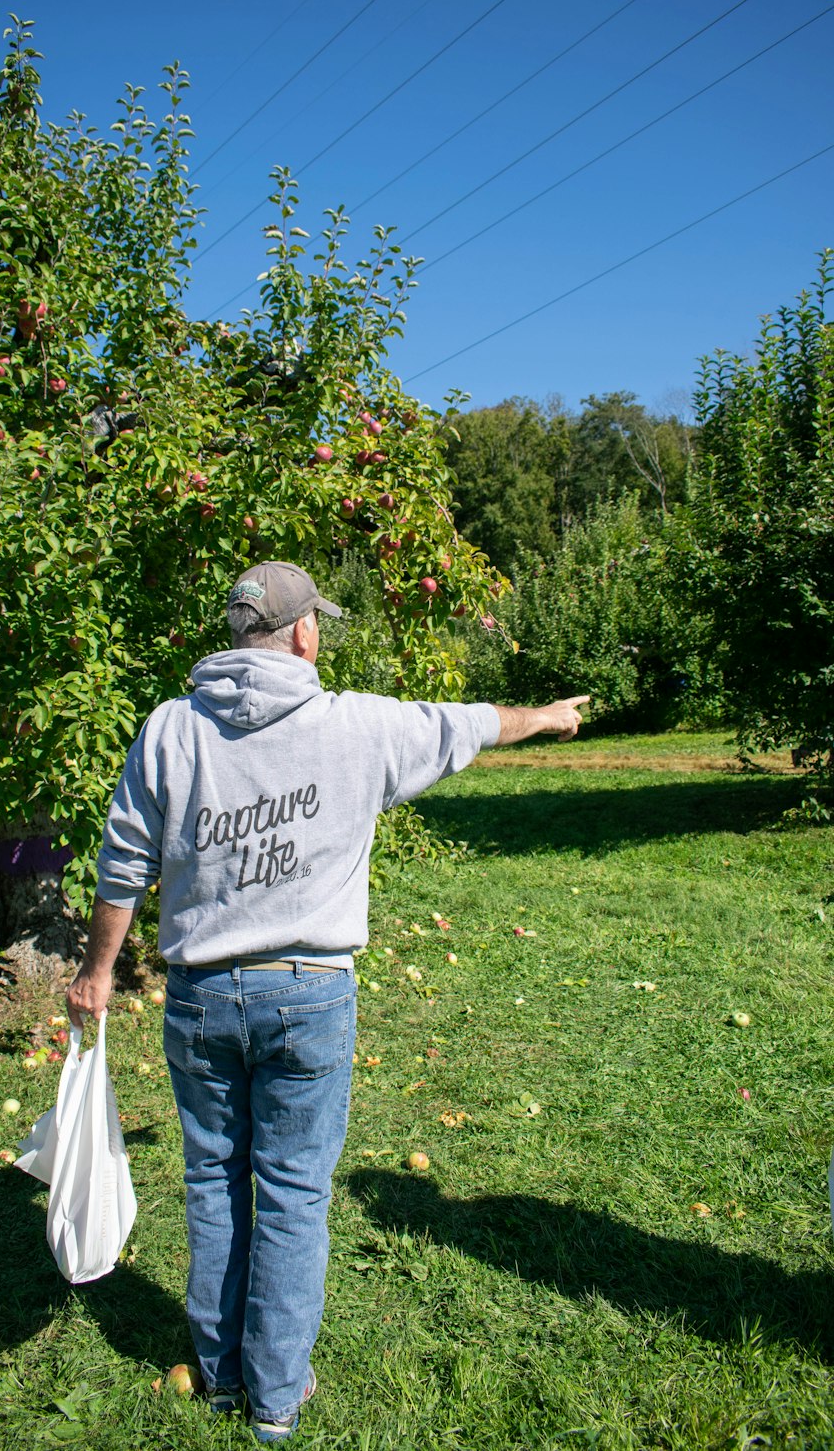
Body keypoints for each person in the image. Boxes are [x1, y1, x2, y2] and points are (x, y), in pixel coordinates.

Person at [66, 559, 587, 1442]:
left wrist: (96, 972)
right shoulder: (362, 727)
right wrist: (545, 717)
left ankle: (224, 1376)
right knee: (295, 1192)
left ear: (239, 635)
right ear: (304, 633)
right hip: (310, 996)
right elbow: (469, 727)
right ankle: (275, 1400)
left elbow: (124, 861)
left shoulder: (168, 730)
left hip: (199, 997)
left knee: (213, 1181)